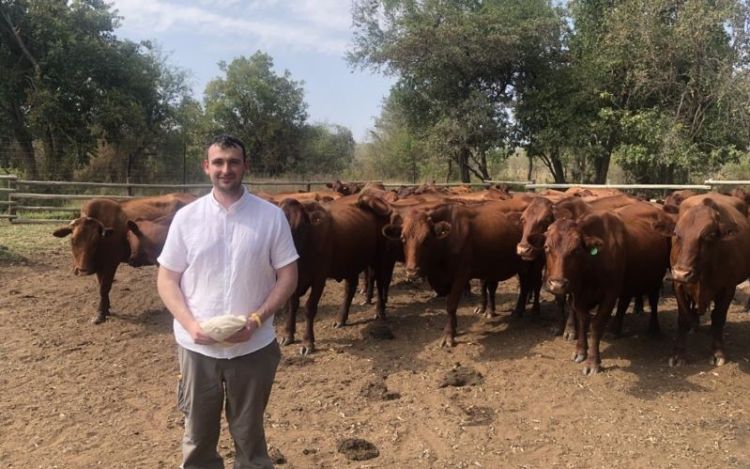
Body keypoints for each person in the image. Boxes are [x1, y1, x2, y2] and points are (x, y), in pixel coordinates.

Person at [157, 134, 299, 469]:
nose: (226, 169)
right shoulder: (187, 218)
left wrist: (257, 319)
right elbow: (166, 279)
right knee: (198, 434)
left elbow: (288, 276)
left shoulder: (270, 217)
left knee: (250, 434)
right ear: (206, 167)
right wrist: (192, 326)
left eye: (233, 162)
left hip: (254, 346)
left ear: (245, 166)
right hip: (198, 348)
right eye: (218, 162)